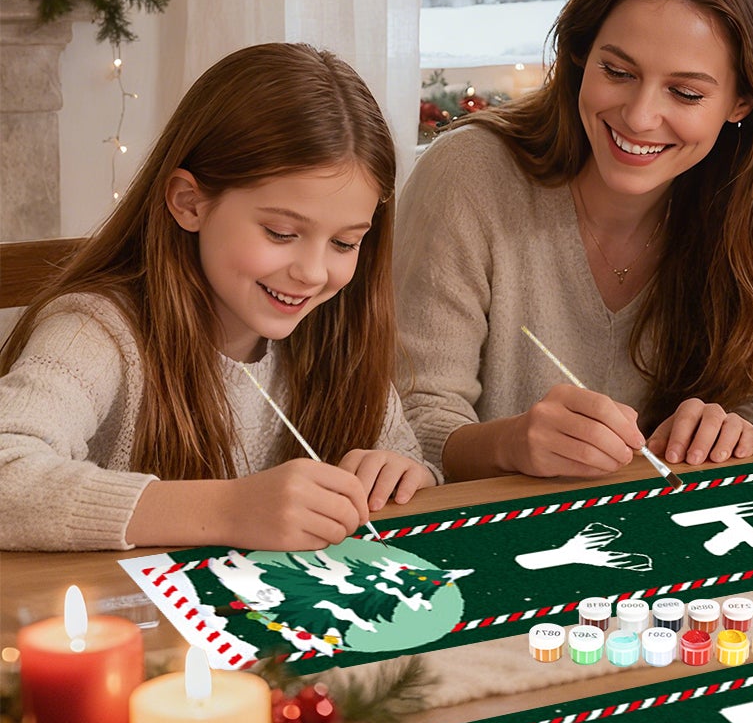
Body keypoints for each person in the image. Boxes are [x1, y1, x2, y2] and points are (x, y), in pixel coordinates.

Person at [395, 0, 753, 482]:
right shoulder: (469, 175)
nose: (640, 116)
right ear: (580, 55)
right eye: (617, 72)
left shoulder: (745, 207)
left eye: (686, 93)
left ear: (742, 103)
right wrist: (510, 443)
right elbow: (406, 424)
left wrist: (728, 425)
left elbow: (748, 400)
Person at [0, 43, 434, 552]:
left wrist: (406, 475)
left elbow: (408, 462)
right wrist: (228, 510)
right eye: (279, 232)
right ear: (190, 203)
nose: (313, 273)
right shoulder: (93, 332)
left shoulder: (338, 332)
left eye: (344, 243)